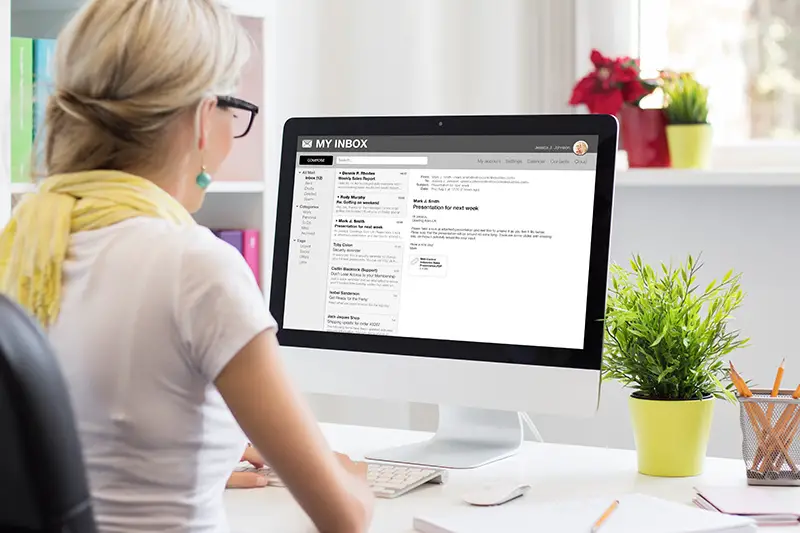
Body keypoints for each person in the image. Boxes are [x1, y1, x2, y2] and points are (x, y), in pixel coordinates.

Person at [0, 1, 374, 532]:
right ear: (203, 115)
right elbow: (345, 518)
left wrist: (193, 462)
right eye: (235, 106)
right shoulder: (195, 267)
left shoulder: (25, 242)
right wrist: (354, 480)